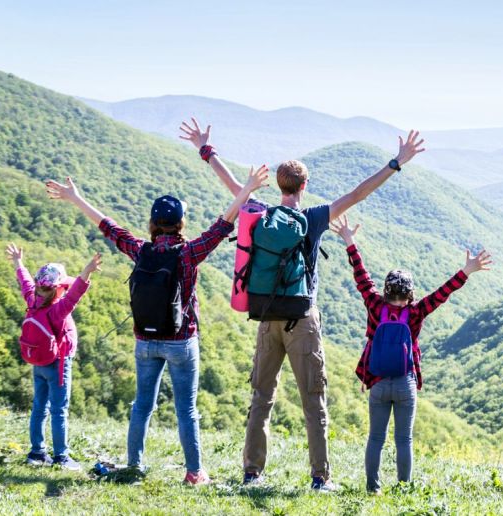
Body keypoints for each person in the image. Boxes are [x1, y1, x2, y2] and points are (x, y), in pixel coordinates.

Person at [179, 118, 426, 491]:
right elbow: (358, 194)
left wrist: (205, 150)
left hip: (266, 316)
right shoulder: (312, 219)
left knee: (261, 396)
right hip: (302, 320)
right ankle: (318, 476)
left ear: (279, 185)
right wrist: (396, 162)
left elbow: (233, 186)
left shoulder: (260, 211)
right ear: (304, 186)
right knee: (313, 398)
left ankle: (252, 471)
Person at [45, 166, 269, 485]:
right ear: (180, 224)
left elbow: (111, 229)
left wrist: (75, 198)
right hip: (181, 342)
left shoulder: (141, 251)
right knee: (186, 410)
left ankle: (134, 464)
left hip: (145, 342)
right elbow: (222, 226)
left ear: (152, 224)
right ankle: (194, 472)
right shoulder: (188, 253)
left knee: (142, 405)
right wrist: (246, 189)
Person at [330, 215, 493, 494]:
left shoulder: (374, 304)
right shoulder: (416, 312)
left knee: (376, 438)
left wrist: (349, 240)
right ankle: (403, 491)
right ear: (410, 294)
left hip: (377, 381)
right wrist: (467, 270)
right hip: (405, 382)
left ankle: (373, 488)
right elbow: (443, 293)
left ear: (386, 290)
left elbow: (361, 275)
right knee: (403, 439)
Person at [8, 243, 102, 471]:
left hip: (38, 363)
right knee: (59, 410)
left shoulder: (32, 300)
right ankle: (61, 457)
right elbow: (75, 295)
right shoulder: (58, 310)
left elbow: (26, 282)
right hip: (58, 364)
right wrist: (86, 272)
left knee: (39, 407)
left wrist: (18, 262)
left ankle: (37, 453)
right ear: (59, 289)